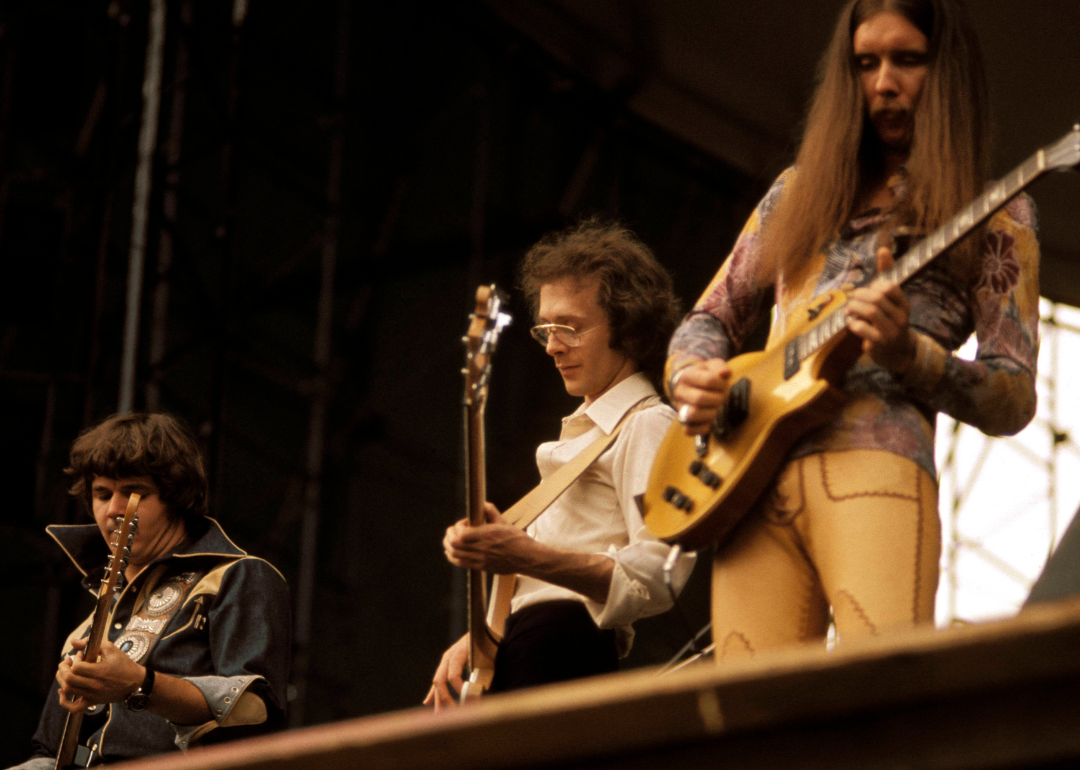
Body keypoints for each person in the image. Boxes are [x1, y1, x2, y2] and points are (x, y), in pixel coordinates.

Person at [668, 0, 1039, 661]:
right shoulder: (796, 192)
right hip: (751, 477)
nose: (883, 83)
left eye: (907, 60)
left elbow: (1013, 396)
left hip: (877, 464)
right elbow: (709, 317)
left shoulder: (998, 213)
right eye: (865, 63)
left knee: (881, 697)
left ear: (947, 73)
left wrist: (910, 355)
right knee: (750, 715)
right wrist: (689, 376)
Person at [425, 222, 696, 708]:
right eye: (546, 329)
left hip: (565, 645)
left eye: (570, 327)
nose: (552, 346)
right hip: (531, 644)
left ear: (628, 326)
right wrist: (487, 633)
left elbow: (659, 575)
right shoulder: (584, 435)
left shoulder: (649, 425)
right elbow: (542, 580)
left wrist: (524, 555)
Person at [11, 413, 291, 769]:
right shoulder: (87, 627)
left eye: (134, 492)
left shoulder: (236, 576)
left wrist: (140, 685)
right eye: (102, 494)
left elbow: (259, 712)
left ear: (175, 497)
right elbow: (48, 753)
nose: (114, 510)